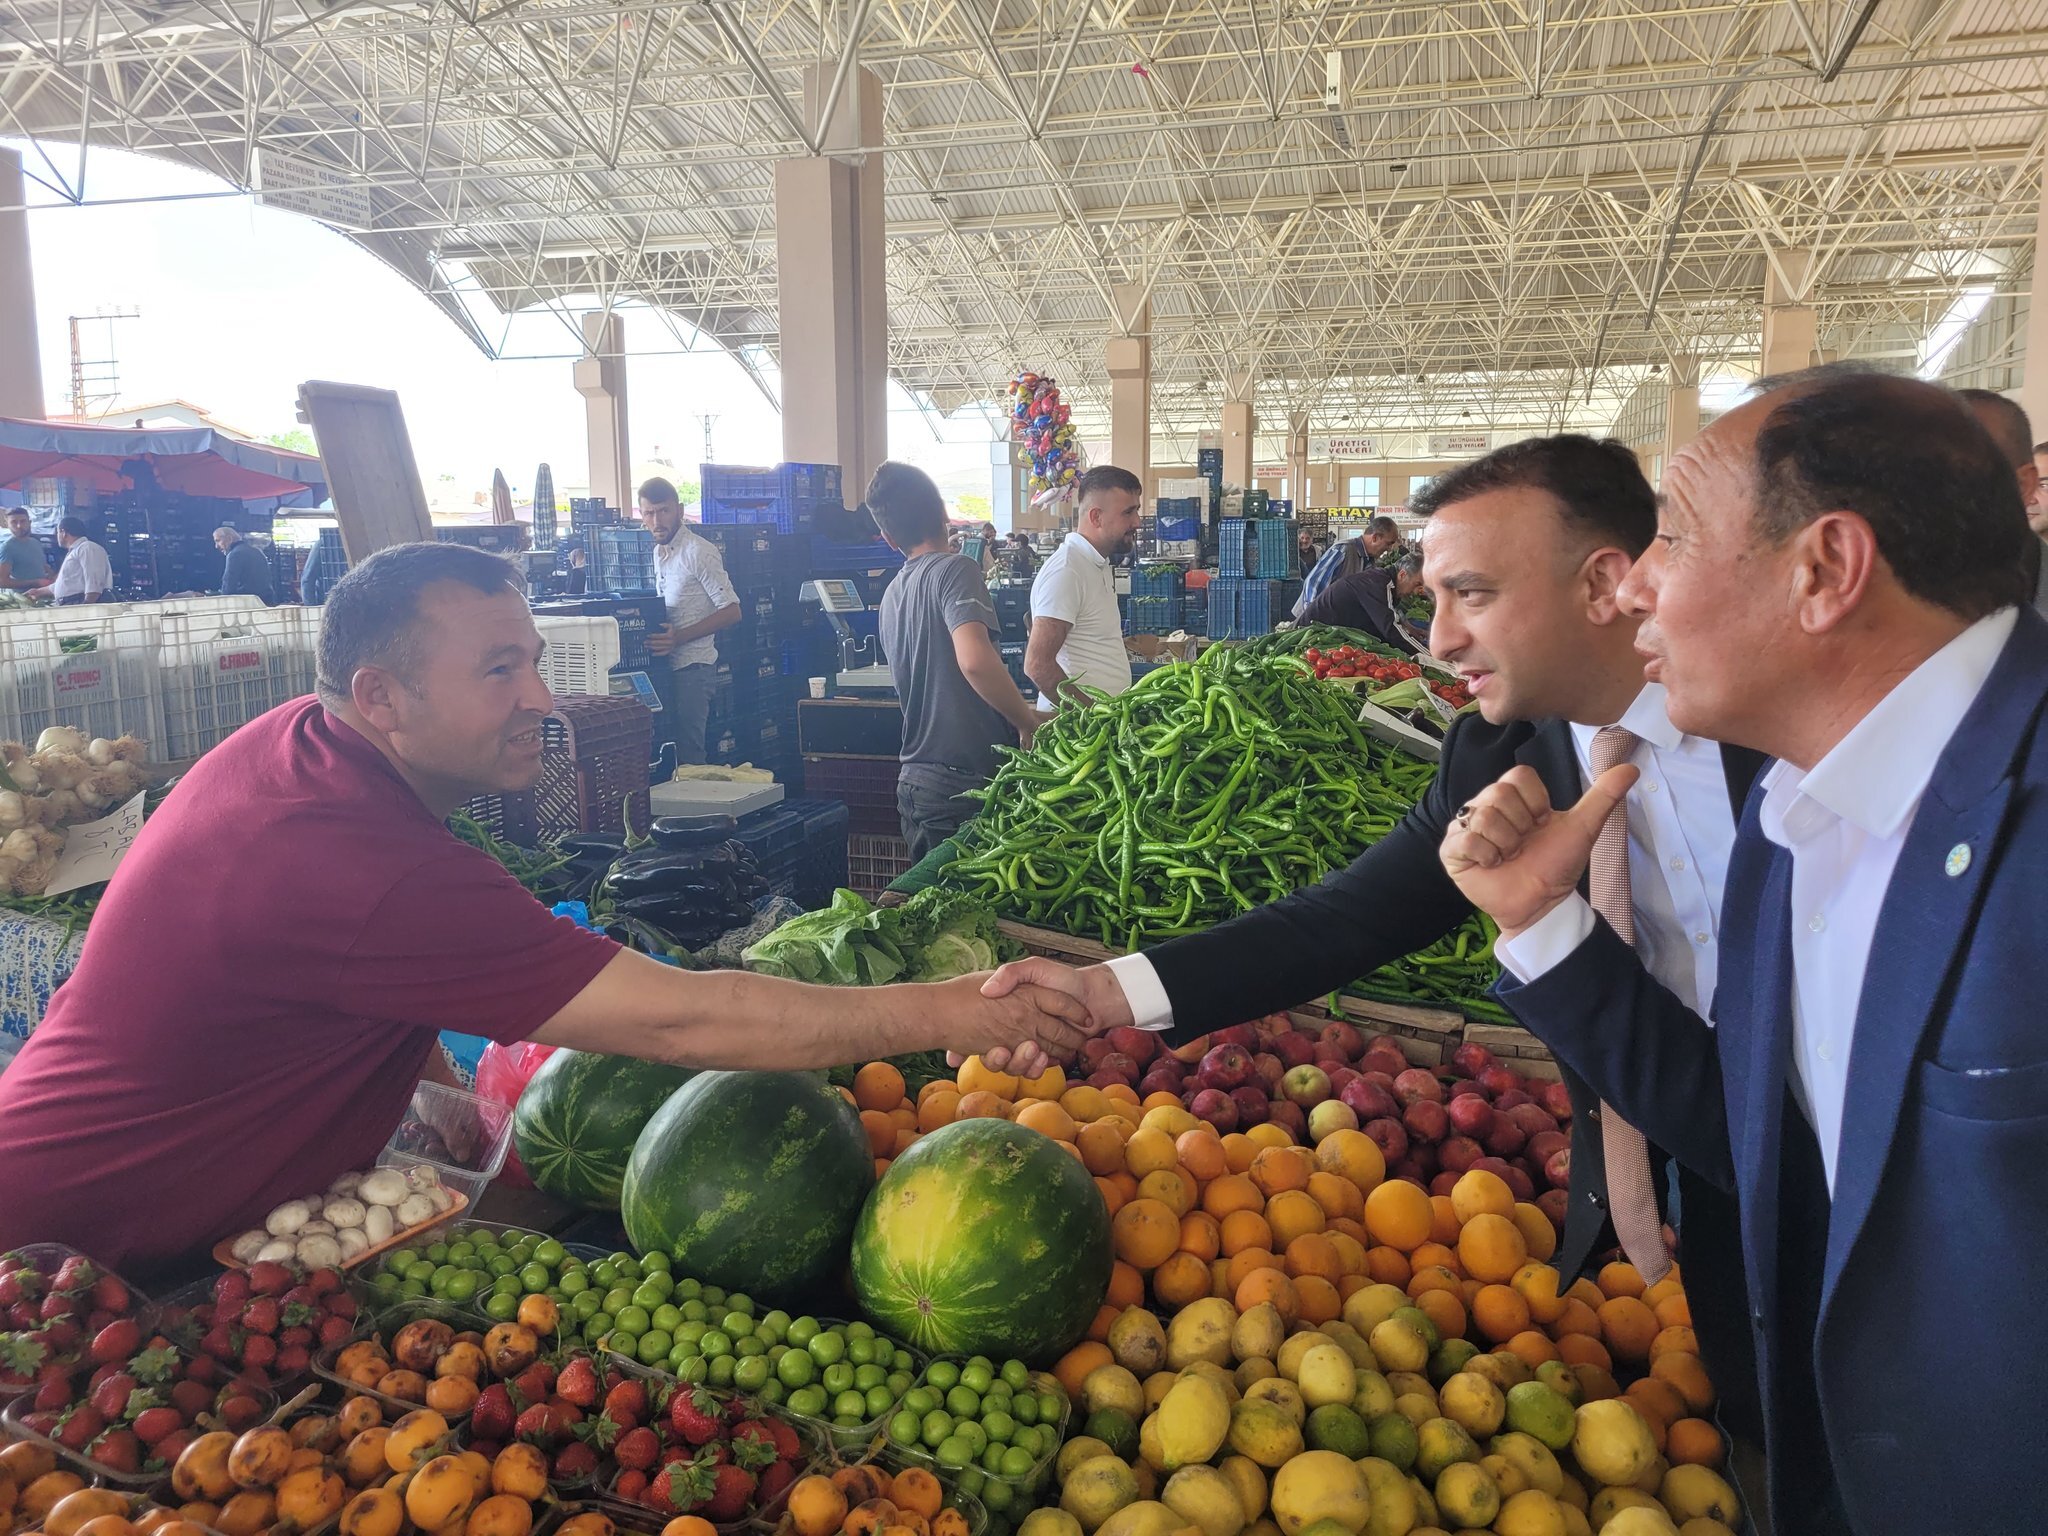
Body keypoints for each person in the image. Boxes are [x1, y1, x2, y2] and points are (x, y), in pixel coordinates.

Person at [0, 542, 1089, 1275]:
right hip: (68, 1251)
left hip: (137, 1225)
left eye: (531, 660)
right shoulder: (357, 854)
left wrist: (450, 1165)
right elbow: (683, 1022)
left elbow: (372, 997)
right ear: (381, 695)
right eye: (499, 671)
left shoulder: (307, 749)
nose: (540, 697)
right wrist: (964, 1011)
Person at [983, 435, 1766, 1453]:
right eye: (1428, 596)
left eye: (1470, 596)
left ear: (1603, 582)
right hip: (1706, 1214)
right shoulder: (1497, 749)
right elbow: (1343, 919)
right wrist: (1100, 997)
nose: (1435, 641)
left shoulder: (1769, 732)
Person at [1440, 366, 2044, 1535]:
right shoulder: (1789, 821)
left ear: (1822, 570)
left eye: (1671, 534)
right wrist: (1544, 926)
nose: (1638, 582)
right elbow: (1759, 1140)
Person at [867, 463, 1040, 858]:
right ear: (943, 516)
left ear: (890, 538)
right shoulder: (956, 569)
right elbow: (974, 660)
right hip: (960, 786)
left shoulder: (893, 594)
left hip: (918, 780)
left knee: (938, 913)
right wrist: (1026, 721)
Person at [637, 478, 740, 764]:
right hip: (663, 668)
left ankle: (699, 808)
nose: (657, 520)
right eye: (649, 513)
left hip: (694, 669)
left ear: (679, 510)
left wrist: (679, 637)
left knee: (690, 753)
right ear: (641, 515)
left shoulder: (699, 552)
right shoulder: (658, 552)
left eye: (664, 511)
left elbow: (732, 610)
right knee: (665, 751)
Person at [1025, 466, 1142, 709]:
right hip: (1078, 735)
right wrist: (1090, 717)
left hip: (1104, 724)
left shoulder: (1096, 563)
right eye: (1128, 512)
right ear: (1096, 517)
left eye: (1137, 511)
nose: (1137, 522)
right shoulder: (1067, 571)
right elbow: (1038, 665)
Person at [1299, 552, 1426, 654]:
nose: (1417, 592)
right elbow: (1390, 628)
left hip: (1329, 640)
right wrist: (1428, 656)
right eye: (1417, 584)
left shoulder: (1383, 581)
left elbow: (1390, 611)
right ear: (1402, 574)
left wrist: (1406, 625)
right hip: (1306, 639)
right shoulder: (1379, 584)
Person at [1294, 515, 1400, 617]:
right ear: (1375, 538)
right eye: (1388, 543)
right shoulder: (1343, 550)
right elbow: (1314, 583)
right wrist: (1311, 617)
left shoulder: (1369, 560)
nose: (1389, 549)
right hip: (1313, 620)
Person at [33, 516, 112, 605]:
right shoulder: (75, 551)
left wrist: (86, 606)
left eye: (57, 532)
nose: (57, 537)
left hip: (81, 602)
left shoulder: (87, 548)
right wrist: (38, 592)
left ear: (64, 533)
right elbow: (66, 584)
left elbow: (94, 582)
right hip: (71, 603)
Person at [215, 525, 279, 605]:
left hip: (248, 604)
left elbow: (228, 586)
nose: (216, 546)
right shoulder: (257, 551)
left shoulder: (234, 554)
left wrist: (222, 603)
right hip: (266, 601)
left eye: (218, 541)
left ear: (229, 539)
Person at [0, 508, 48, 591]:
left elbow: (43, 566)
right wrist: (35, 583)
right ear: (7, 524)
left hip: (41, 594)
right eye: (14, 522)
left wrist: (54, 576)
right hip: (22, 599)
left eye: (23, 521)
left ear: (29, 522)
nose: (19, 526)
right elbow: (2, 581)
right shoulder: (7, 548)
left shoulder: (35, 542)